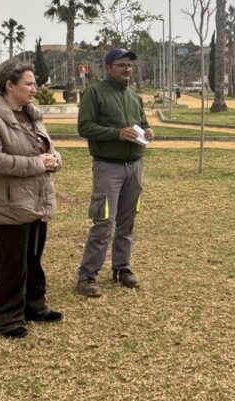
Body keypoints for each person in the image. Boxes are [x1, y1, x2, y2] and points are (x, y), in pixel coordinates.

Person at [0, 65, 63, 339]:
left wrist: (55, 160)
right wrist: (37, 164)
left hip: (37, 199)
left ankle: (33, 306)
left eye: (35, 84)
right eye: (29, 84)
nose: (35, 89)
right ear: (9, 85)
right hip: (8, 203)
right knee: (10, 262)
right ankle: (4, 318)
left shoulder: (31, 115)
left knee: (33, 258)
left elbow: (47, 148)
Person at [76, 48, 155, 297]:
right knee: (104, 223)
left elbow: (142, 124)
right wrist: (116, 133)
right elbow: (85, 127)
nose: (127, 70)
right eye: (121, 65)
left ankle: (122, 268)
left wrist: (148, 131)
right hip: (107, 167)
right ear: (109, 67)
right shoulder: (95, 93)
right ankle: (87, 276)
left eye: (129, 65)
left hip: (134, 166)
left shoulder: (134, 97)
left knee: (127, 221)